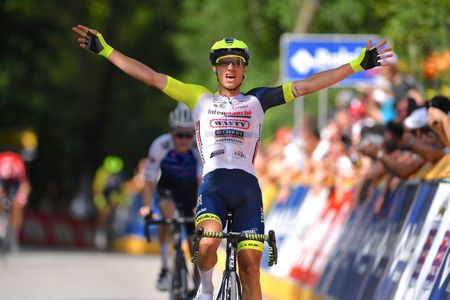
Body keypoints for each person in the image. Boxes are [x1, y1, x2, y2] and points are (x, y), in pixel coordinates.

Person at [72, 24, 392, 300]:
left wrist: (356, 64)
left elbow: (308, 85)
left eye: (236, 63)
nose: (230, 68)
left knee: (251, 268)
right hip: (213, 183)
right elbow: (152, 78)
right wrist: (106, 50)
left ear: (244, 69)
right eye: (224, 63)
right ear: (215, 68)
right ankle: (207, 288)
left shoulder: (259, 99)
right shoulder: (198, 98)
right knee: (209, 241)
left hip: (247, 188)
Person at [139, 103, 202, 292]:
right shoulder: (160, 145)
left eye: (188, 135)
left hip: (191, 190)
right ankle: (166, 268)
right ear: (171, 132)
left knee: (195, 244)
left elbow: (202, 181)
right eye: (179, 135)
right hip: (168, 188)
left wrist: (199, 206)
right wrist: (147, 207)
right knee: (168, 215)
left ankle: (199, 284)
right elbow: (149, 181)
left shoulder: (198, 146)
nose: (183, 140)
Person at [92, 155, 128, 250]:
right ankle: (100, 236)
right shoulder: (102, 173)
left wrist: (121, 200)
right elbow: (97, 190)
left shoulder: (120, 174)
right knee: (103, 216)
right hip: (102, 197)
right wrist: (101, 203)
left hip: (114, 198)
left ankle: (113, 239)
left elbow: (122, 189)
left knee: (116, 218)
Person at [0, 151, 30, 252]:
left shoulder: (18, 165)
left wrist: (22, 198)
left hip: (16, 183)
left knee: (17, 207)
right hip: (2, 181)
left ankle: (13, 237)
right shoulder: (3, 163)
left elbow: (24, 184)